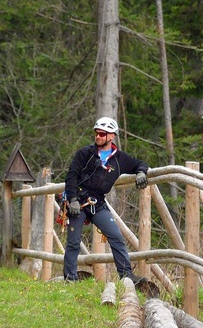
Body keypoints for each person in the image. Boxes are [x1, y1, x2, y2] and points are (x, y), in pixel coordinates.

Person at [63, 117, 149, 284]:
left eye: (102, 134)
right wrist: (72, 199)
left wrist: (141, 173)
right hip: (79, 201)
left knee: (116, 237)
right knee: (73, 241)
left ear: (111, 136)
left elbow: (139, 163)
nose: (97, 137)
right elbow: (71, 176)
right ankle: (70, 279)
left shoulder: (120, 158)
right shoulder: (84, 153)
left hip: (98, 203)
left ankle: (127, 276)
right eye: (96, 133)